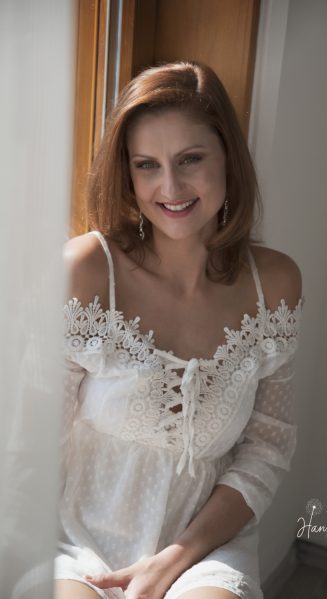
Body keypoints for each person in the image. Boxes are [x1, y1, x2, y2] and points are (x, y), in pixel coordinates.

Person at [56, 60, 305, 599]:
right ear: (127, 174)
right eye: (147, 165)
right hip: (75, 538)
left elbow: (267, 449)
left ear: (228, 158)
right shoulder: (87, 270)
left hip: (202, 546)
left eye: (190, 158)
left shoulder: (275, 284)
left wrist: (176, 558)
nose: (170, 186)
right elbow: (28, 437)